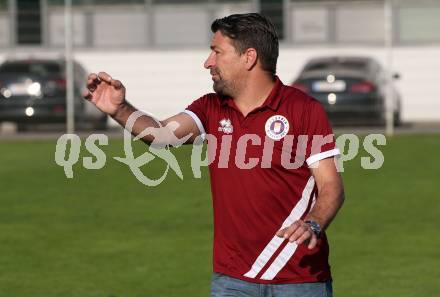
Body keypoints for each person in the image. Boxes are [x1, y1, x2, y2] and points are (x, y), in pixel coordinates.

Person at [83, 13, 344, 297]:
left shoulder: (303, 109)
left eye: (216, 52)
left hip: (300, 279)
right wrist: (120, 111)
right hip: (232, 280)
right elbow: (161, 136)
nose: (208, 62)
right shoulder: (210, 108)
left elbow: (330, 186)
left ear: (249, 57)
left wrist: (313, 222)